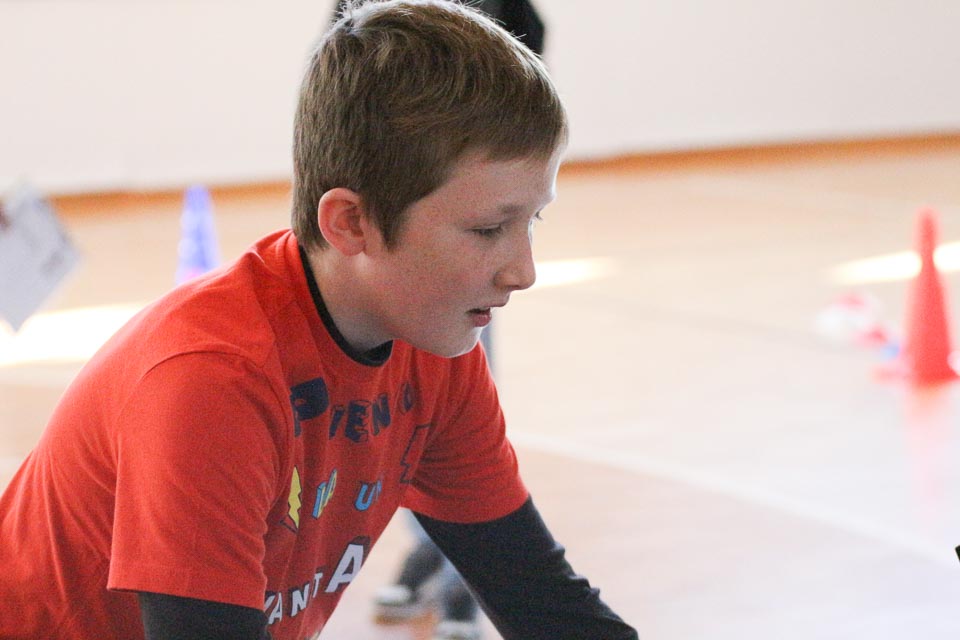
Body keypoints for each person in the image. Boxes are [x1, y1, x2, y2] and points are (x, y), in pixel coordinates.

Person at [0, 2, 639, 639]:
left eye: (533, 220)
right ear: (351, 223)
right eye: (488, 229)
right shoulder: (213, 382)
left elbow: (541, 599)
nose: (524, 271)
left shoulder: (433, 344)